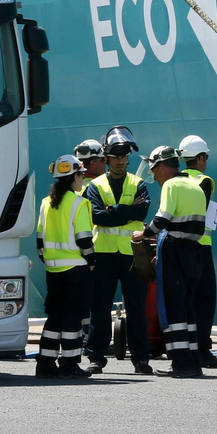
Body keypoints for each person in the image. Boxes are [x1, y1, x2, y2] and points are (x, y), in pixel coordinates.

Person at [81, 132, 153, 375]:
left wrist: (114, 210)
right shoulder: (94, 186)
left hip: (132, 254)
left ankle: (141, 360)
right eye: (115, 157)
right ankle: (96, 358)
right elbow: (96, 216)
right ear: (107, 159)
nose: (120, 161)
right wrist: (127, 211)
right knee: (99, 308)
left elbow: (141, 214)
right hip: (103, 254)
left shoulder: (138, 183)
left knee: (136, 308)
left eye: (124, 157)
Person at [138, 145, 209, 378]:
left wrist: (144, 233)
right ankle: (193, 361)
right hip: (194, 251)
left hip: (175, 249)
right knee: (188, 306)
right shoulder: (195, 186)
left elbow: (163, 218)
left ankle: (181, 364)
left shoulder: (171, 185)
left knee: (173, 305)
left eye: (154, 170)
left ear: (162, 167)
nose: (155, 176)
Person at [35, 153, 96, 379]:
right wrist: (91, 262)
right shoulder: (79, 203)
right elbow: (84, 240)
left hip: (53, 270)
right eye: (82, 175)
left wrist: (49, 261)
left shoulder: (45, 204)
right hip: (76, 269)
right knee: (73, 318)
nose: (83, 180)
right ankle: (70, 365)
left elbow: (40, 241)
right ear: (75, 176)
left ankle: (45, 365)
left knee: (55, 317)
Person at [179, 134, 217, 370]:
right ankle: (203, 351)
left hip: (178, 246)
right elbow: (203, 211)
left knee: (184, 299)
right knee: (205, 299)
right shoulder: (204, 181)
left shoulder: (174, 181)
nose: (206, 161)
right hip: (201, 245)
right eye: (205, 156)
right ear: (199, 158)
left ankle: (183, 348)